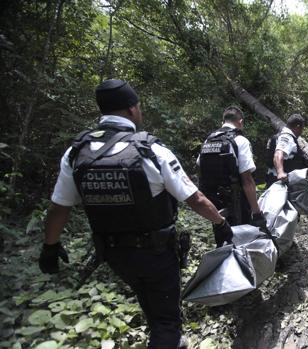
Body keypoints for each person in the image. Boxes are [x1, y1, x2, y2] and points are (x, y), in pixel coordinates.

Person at [38, 79, 233, 349]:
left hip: (115, 255)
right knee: (168, 322)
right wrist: (220, 222)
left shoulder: (76, 153)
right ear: (131, 109)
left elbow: (59, 207)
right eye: (138, 106)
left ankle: (164, 336)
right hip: (156, 253)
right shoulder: (150, 150)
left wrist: (50, 246)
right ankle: (168, 339)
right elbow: (195, 199)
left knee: (147, 300)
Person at [197, 106, 265, 231]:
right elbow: (247, 180)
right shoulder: (240, 140)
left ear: (222, 122)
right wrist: (256, 212)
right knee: (242, 240)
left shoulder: (208, 140)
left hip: (214, 203)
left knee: (222, 235)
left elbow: (200, 166)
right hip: (237, 202)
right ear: (240, 122)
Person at [265, 113, 308, 187]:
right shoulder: (287, 137)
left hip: (276, 181)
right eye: (302, 129)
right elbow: (278, 153)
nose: (301, 132)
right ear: (298, 127)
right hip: (281, 184)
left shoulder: (279, 135)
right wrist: (280, 172)